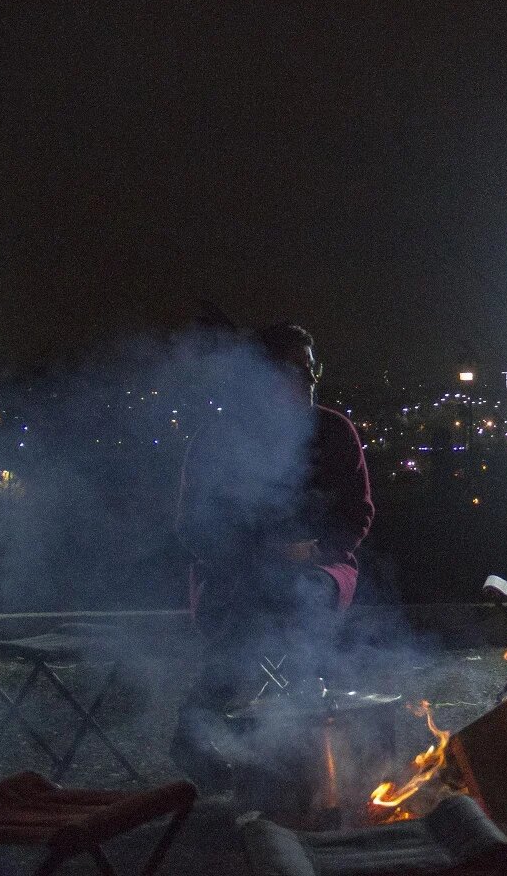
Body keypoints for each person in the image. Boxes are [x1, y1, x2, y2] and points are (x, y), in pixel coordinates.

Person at [170, 321, 373, 788]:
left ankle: (292, 745)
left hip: (319, 564)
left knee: (303, 595)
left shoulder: (334, 431)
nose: (305, 380)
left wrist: (316, 549)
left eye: (310, 370)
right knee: (252, 602)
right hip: (237, 571)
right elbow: (195, 527)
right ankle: (238, 732)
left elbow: (357, 514)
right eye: (291, 369)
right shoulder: (218, 437)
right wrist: (259, 554)